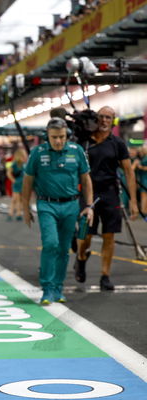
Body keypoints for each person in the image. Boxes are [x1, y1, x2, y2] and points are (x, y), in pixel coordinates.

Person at [22, 118, 93, 304]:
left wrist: (89, 206)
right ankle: (47, 288)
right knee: (51, 244)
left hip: (71, 205)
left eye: (62, 137)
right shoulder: (37, 153)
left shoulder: (76, 151)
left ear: (67, 135)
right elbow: (28, 181)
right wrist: (25, 208)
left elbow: (85, 180)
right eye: (54, 137)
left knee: (63, 248)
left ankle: (58, 288)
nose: (59, 141)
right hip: (47, 205)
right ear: (47, 135)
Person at [74, 106, 138, 291]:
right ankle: (80, 258)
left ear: (113, 120)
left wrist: (133, 201)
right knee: (85, 235)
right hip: (88, 194)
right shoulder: (84, 141)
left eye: (108, 118)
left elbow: (128, 172)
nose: (104, 121)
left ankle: (105, 276)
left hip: (110, 193)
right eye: (101, 117)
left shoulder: (117, 143)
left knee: (109, 236)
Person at [6, 148, 27, 221]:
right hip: (17, 184)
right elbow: (8, 173)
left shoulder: (24, 164)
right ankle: (10, 213)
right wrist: (13, 180)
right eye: (23, 155)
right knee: (15, 199)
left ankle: (18, 213)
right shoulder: (15, 164)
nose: (25, 157)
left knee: (21, 200)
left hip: (23, 184)